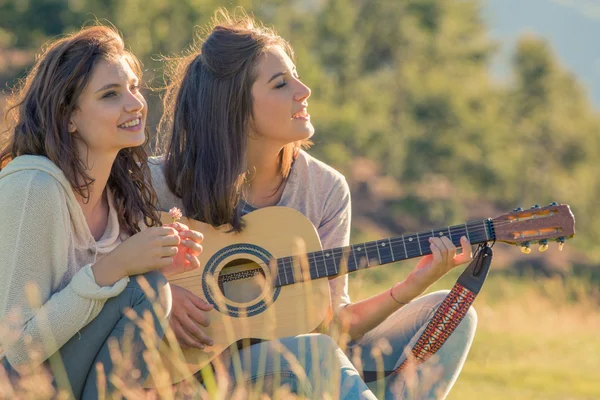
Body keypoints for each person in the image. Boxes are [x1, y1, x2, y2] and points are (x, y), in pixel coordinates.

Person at [151, 10, 477, 399]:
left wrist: (411, 286)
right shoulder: (160, 184)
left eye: (297, 76)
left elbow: (333, 324)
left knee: (452, 314)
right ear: (233, 106)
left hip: (304, 355)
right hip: (196, 372)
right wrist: (158, 294)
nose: (303, 90)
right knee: (317, 352)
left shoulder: (324, 189)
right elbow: (97, 267)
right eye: (281, 83)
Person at [0, 26, 204, 399]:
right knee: (149, 291)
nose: (134, 104)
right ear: (68, 117)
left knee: (152, 288)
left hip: (62, 379)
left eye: (134, 87)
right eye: (110, 95)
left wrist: (151, 265)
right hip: (15, 384)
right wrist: (118, 268)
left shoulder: (118, 194)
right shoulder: (34, 186)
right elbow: (16, 350)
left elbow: (103, 311)